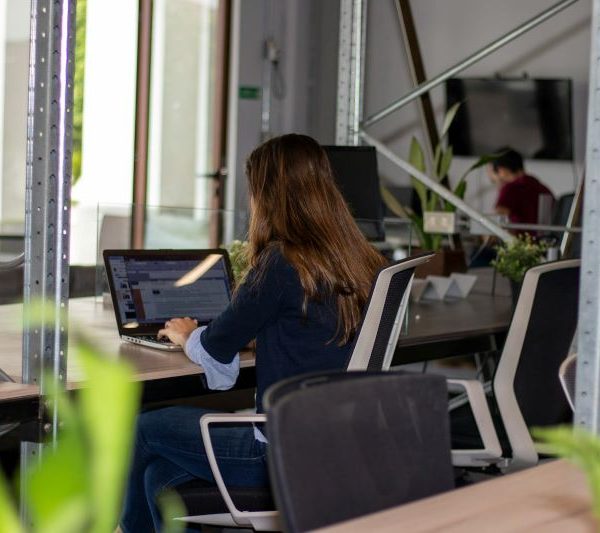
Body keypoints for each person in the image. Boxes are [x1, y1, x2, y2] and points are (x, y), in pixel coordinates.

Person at [119, 134, 387, 532]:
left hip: (279, 454)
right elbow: (317, 332)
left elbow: (215, 344)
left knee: (143, 428)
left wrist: (185, 334)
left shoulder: (282, 260)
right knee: (158, 477)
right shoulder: (359, 259)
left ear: (267, 195)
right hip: (333, 446)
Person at [488, 148, 554, 226]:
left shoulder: (511, 188)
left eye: (491, 172)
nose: (490, 177)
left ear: (501, 170)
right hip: (546, 237)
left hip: (522, 237)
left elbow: (495, 222)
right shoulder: (541, 187)